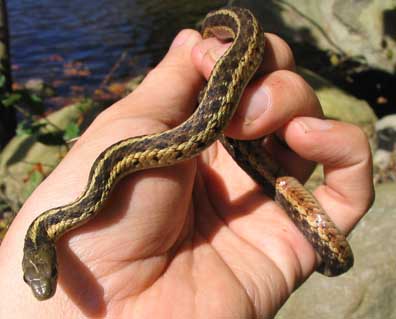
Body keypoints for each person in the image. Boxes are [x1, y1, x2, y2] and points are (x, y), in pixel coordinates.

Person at [0, 29, 373, 318]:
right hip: (225, 261)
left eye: (45, 278)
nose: (46, 287)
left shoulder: (89, 190)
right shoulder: (59, 225)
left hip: (211, 171)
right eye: (46, 280)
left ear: (42, 256)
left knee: (244, 83)